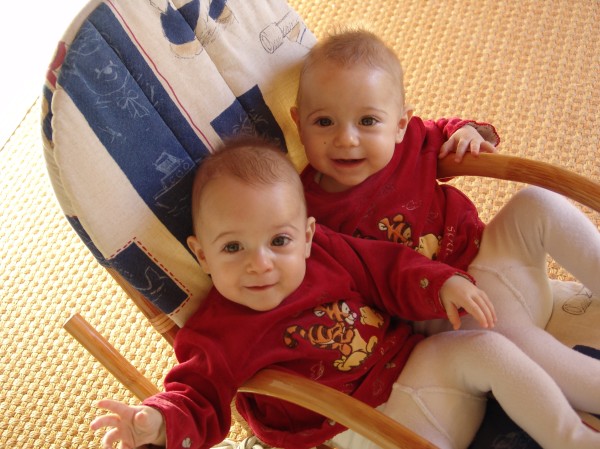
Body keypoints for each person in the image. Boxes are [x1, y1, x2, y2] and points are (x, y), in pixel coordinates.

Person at [90, 138, 600, 449]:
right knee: (486, 347)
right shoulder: (216, 333)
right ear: (202, 255)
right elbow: (195, 394)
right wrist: (158, 421)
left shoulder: (326, 251)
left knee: (486, 346)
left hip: (415, 366)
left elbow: (387, 267)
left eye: (280, 241)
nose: (260, 262)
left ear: (307, 235)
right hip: (372, 425)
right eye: (232, 247)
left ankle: (572, 438)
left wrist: (441, 281)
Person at [291, 28, 600, 415]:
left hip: (489, 252)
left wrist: (467, 133)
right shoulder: (303, 213)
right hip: (451, 311)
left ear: (400, 124)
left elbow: (444, 130)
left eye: (368, 121)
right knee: (502, 343)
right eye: (324, 122)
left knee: (536, 201)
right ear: (298, 123)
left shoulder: (410, 141)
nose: (347, 139)